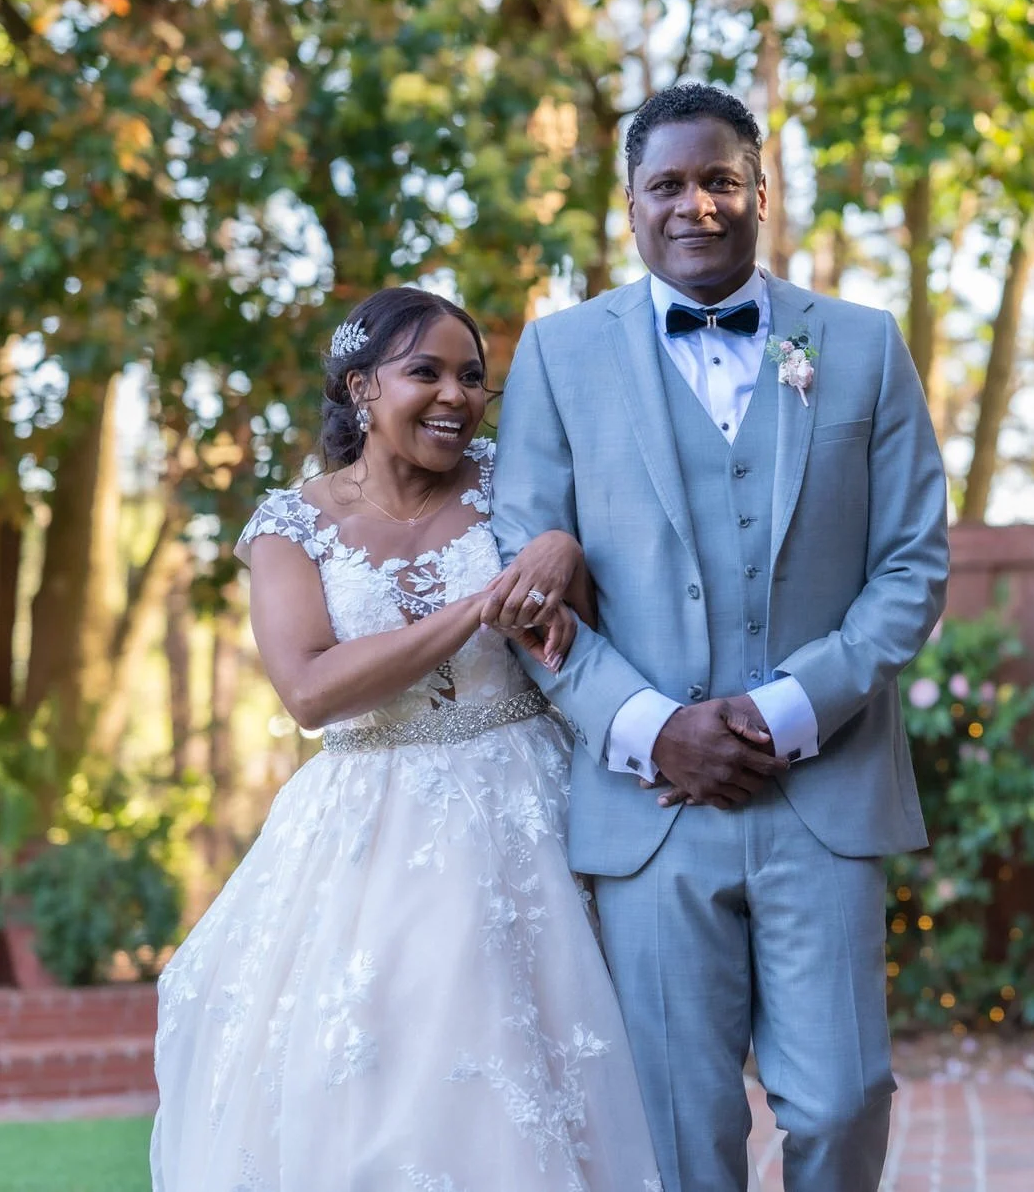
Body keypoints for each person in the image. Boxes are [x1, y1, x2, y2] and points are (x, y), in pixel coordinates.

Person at [490, 81, 949, 1192]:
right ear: (630, 202)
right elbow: (524, 591)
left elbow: (910, 563)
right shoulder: (557, 357)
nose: (693, 204)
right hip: (650, 809)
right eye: (666, 184)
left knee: (842, 1099)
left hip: (822, 791)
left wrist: (785, 708)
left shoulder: (860, 344)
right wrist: (653, 730)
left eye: (717, 181)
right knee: (680, 1130)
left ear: (759, 193)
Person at [151, 287, 664, 1192]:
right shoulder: (290, 524)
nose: (456, 396)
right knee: (377, 1077)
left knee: (562, 1075)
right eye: (424, 371)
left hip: (536, 813)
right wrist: (479, 606)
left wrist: (561, 550)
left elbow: (597, 604)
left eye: (473, 378)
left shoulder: (520, 480)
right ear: (361, 388)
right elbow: (308, 688)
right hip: (366, 834)